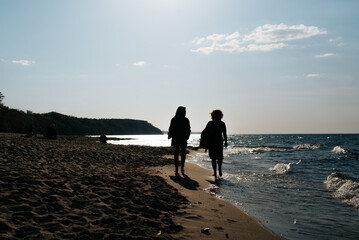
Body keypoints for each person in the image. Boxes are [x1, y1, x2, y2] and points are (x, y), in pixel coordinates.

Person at [202, 109, 227, 179]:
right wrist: (226, 142)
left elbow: (205, 133)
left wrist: (205, 145)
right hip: (219, 141)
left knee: (213, 158)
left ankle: (215, 172)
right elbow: (224, 134)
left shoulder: (210, 123)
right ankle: (220, 169)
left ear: (212, 116)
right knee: (219, 157)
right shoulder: (222, 123)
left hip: (211, 142)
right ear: (221, 116)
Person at [168, 106, 191, 174]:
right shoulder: (185, 120)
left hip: (177, 138)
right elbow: (188, 129)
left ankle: (177, 168)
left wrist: (169, 135)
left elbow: (171, 128)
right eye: (184, 111)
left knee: (177, 154)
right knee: (182, 154)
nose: (185, 113)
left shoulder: (174, 119)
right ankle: (181, 168)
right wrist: (187, 136)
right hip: (182, 138)